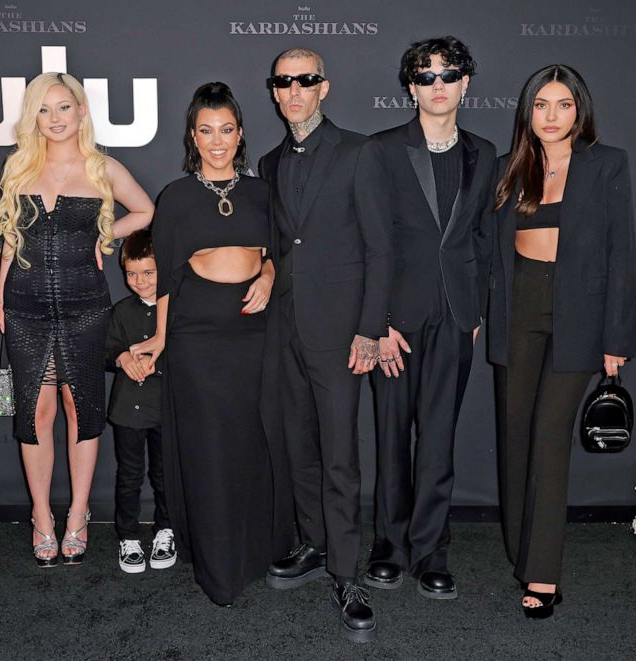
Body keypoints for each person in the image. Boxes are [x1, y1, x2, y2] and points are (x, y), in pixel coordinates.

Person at [129, 82, 293, 606]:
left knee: (254, 442)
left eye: (226, 130)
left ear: (240, 133)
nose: (217, 141)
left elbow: (279, 252)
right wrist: (159, 337)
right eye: (206, 131)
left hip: (255, 330)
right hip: (197, 337)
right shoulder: (176, 197)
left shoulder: (263, 191)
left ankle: (261, 552)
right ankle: (217, 566)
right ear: (193, 136)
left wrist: (268, 274)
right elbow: (169, 280)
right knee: (208, 450)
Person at [487, 64, 636, 617]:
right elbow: (490, 251)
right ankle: (521, 551)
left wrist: (616, 337)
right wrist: (485, 312)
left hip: (582, 311)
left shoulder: (606, 165)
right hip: (518, 306)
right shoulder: (508, 169)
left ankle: (543, 573)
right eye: (542, 105)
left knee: (550, 437)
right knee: (515, 437)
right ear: (527, 111)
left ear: (581, 110)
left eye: (564, 105)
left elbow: (622, 254)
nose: (552, 116)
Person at [0, 72, 154, 567]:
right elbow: (11, 241)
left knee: (81, 409)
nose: (55, 118)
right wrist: (1, 299)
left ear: (82, 112)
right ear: (33, 118)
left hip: (86, 307)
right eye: (44, 109)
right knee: (34, 415)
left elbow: (145, 210)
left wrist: (105, 237)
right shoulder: (18, 167)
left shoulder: (102, 167)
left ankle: (79, 514)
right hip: (25, 307)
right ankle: (42, 516)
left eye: (65, 107)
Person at [258, 47, 391, 643]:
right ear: (275, 91)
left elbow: (382, 249)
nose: (294, 91)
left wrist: (369, 327)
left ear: (324, 87)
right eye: (284, 82)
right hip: (283, 328)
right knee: (299, 447)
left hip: (341, 333)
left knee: (340, 456)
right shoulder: (267, 161)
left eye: (305, 81)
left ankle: (346, 572)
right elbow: (284, 246)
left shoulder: (360, 152)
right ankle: (313, 544)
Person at [364, 37, 497, 601]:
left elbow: (483, 239)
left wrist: (474, 310)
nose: (437, 85)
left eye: (448, 75)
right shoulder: (382, 150)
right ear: (411, 87)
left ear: (466, 83)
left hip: (454, 316)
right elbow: (373, 239)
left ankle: (431, 551)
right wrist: (379, 321)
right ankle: (389, 548)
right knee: (392, 436)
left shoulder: (485, 153)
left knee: (438, 439)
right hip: (396, 319)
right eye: (426, 76)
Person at [104, 229, 175, 574]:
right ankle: (128, 537)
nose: (139, 281)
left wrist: (155, 360)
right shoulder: (121, 311)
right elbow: (105, 350)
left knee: (165, 474)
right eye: (131, 274)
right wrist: (121, 358)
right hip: (128, 410)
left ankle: (166, 529)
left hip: (166, 408)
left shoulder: (178, 311)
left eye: (149, 272)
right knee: (129, 475)